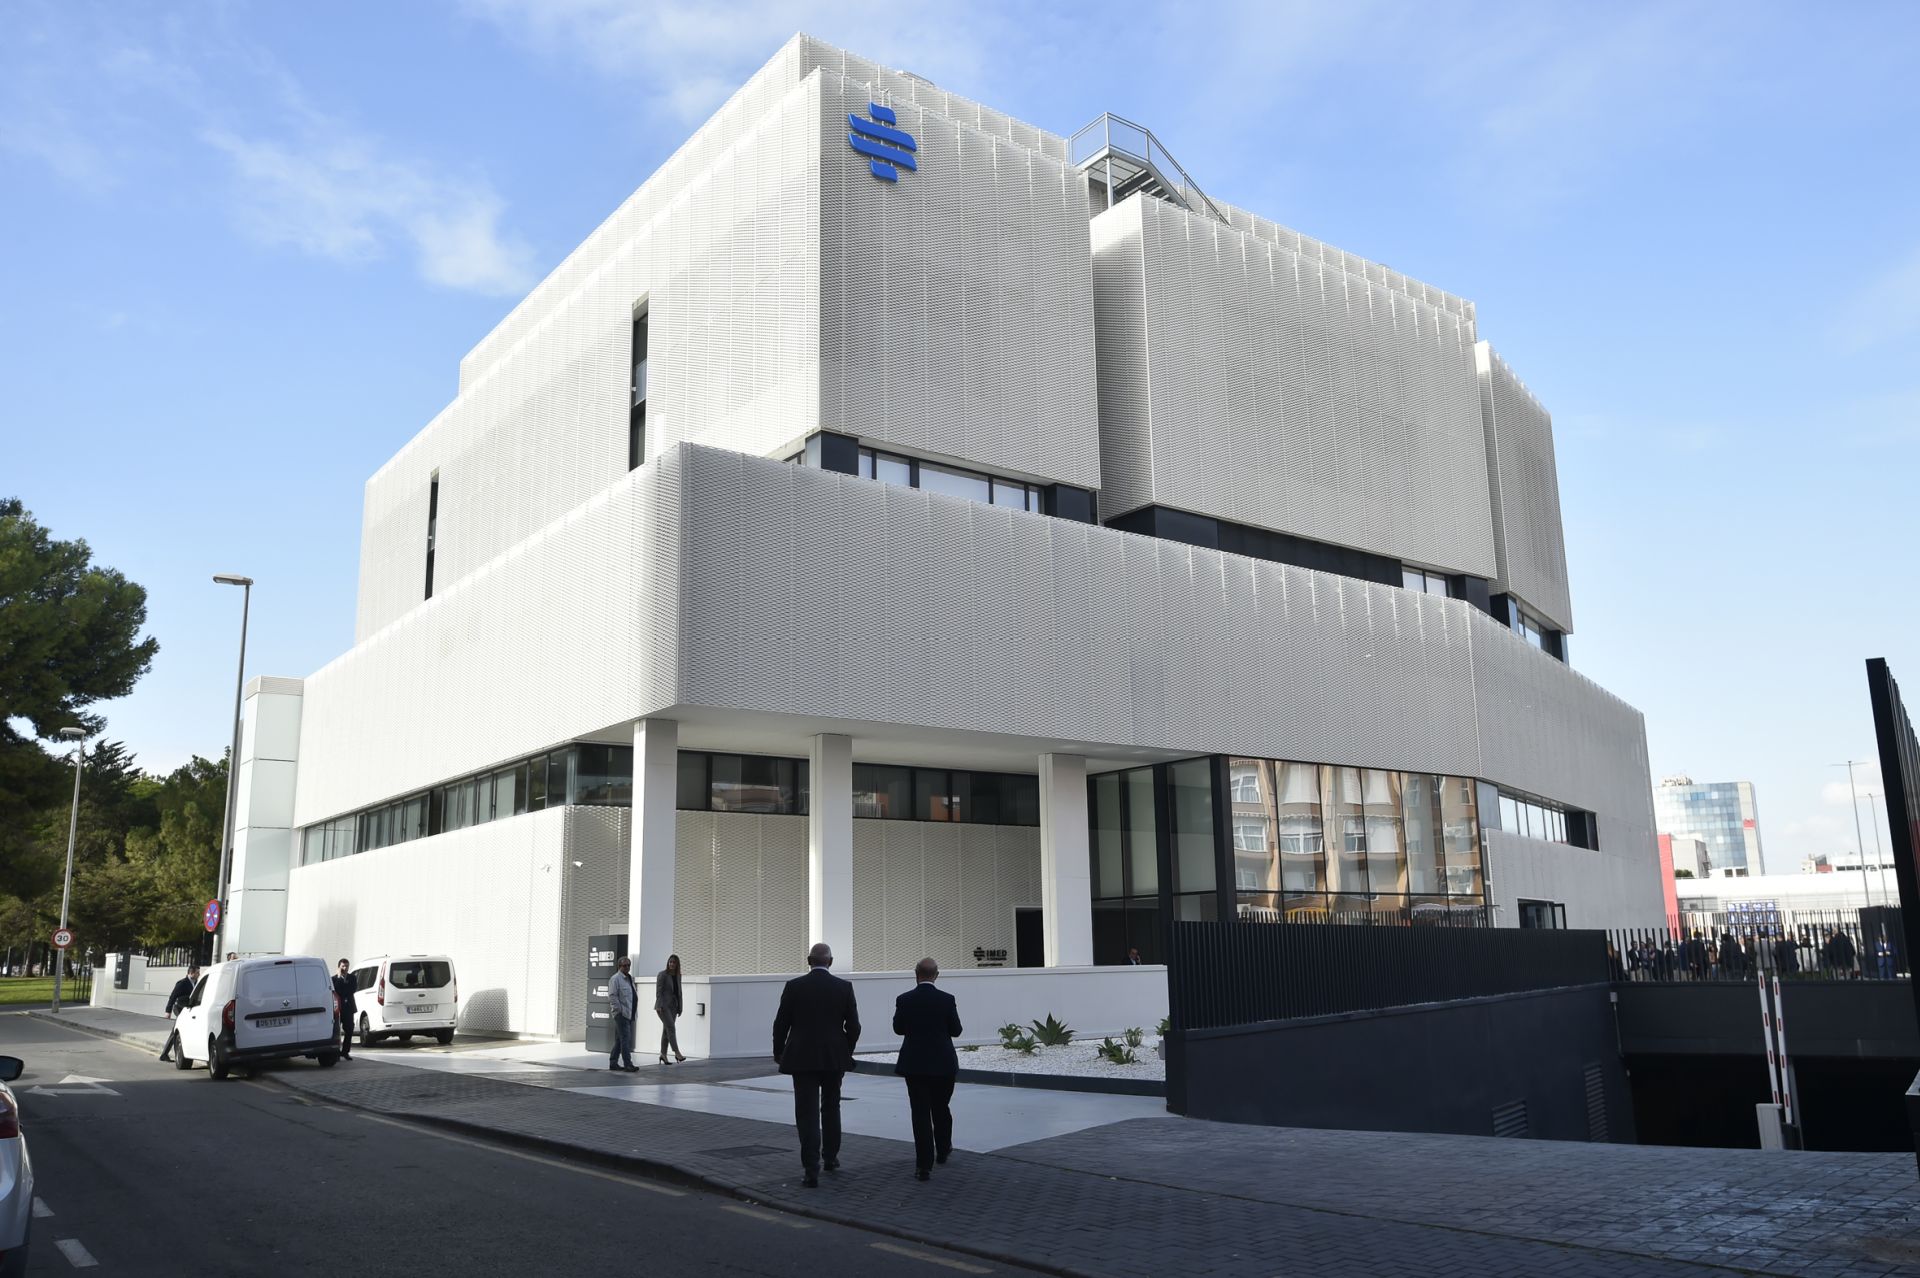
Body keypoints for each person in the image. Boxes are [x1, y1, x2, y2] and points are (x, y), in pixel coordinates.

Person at [772, 943, 861, 1188]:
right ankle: (831, 1158)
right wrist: (845, 1050)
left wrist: (779, 1052)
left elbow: (781, 1024)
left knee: (807, 1112)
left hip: (801, 1058)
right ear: (830, 962)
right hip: (833, 1058)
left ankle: (811, 1169)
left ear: (808, 960)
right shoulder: (844, 988)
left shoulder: (794, 987)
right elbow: (854, 1027)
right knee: (831, 1107)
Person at [893, 958, 961, 1181]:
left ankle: (923, 1166)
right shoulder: (947, 999)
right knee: (941, 1107)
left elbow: (898, 1028)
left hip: (915, 1065)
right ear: (936, 975)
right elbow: (956, 1030)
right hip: (943, 1064)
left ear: (916, 974)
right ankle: (943, 1149)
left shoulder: (904, 1000)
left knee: (920, 1113)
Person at [157, 963, 200, 1062]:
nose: (199, 974)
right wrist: (168, 1011)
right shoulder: (182, 983)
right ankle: (169, 1055)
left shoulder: (197, 983)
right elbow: (172, 997)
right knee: (176, 1030)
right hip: (179, 1008)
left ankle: (169, 1054)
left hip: (188, 1010)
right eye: (197, 972)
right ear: (191, 973)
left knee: (178, 1031)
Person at [607, 955, 640, 1073]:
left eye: (628, 965)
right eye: (624, 965)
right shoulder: (615, 979)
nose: (627, 967)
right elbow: (612, 996)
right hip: (622, 1014)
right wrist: (619, 1010)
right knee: (626, 1039)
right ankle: (628, 1064)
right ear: (619, 966)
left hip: (629, 1013)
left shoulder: (629, 978)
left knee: (619, 1040)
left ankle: (613, 1062)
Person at [655, 954, 687, 1063]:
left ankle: (663, 1054)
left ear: (677, 964)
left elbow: (679, 993)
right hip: (663, 1006)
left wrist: (680, 1007)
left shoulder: (678, 976)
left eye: (674, 962)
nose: (672, 964)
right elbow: (658, 992)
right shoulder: (662, 975)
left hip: (674, 1007)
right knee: (671, 1028)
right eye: (670, 962)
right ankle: (677, 1053)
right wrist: (659, 1005)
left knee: (666, 1030)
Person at [331, 958, 358, 1060]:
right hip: (337, 1009)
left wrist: (344, 984)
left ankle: (345, 1052)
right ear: (339, 967)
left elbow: (352, 989)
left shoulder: (352, 978)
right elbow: (336, 990)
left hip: (348, 1008)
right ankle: (336, 1053)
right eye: (343, 966)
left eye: (347, 966)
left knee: (349, 1030)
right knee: (336, 1031)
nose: (345, 968)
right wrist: (339, 978)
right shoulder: (333, 979)